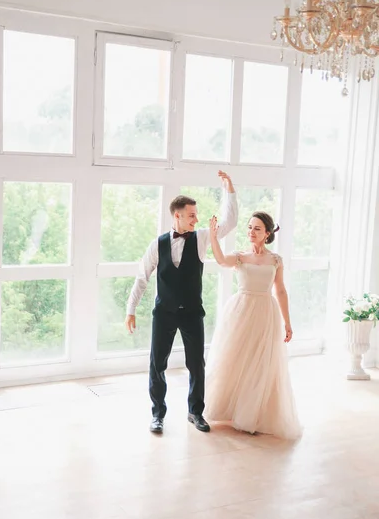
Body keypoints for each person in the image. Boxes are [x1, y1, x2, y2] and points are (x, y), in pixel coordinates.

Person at [125, 171, 238, 434]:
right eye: (191, 215)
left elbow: (229, 222)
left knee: (196, 363)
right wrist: (131, 310)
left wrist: (229, 190)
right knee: (157, 364)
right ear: (177, 215)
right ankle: (157, 414)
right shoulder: (157, 244)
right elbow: (142, 278)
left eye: (196, 215)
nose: (196, 219)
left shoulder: (200, 238)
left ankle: (195, 412)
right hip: (163, 313)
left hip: (191, 313)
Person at [205, 211, 302, 440]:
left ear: (267, 234)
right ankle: (228, 409)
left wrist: (287, 322)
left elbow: (280, 290)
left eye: (257, 228)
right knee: (236, 358)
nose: (251, 232)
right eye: (249, 227)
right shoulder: (240, 256)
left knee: (261, 363)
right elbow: (220, 261)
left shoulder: (275, 260)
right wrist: (213, 237)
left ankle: (252, 413)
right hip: (241, 310)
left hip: (265, 312)